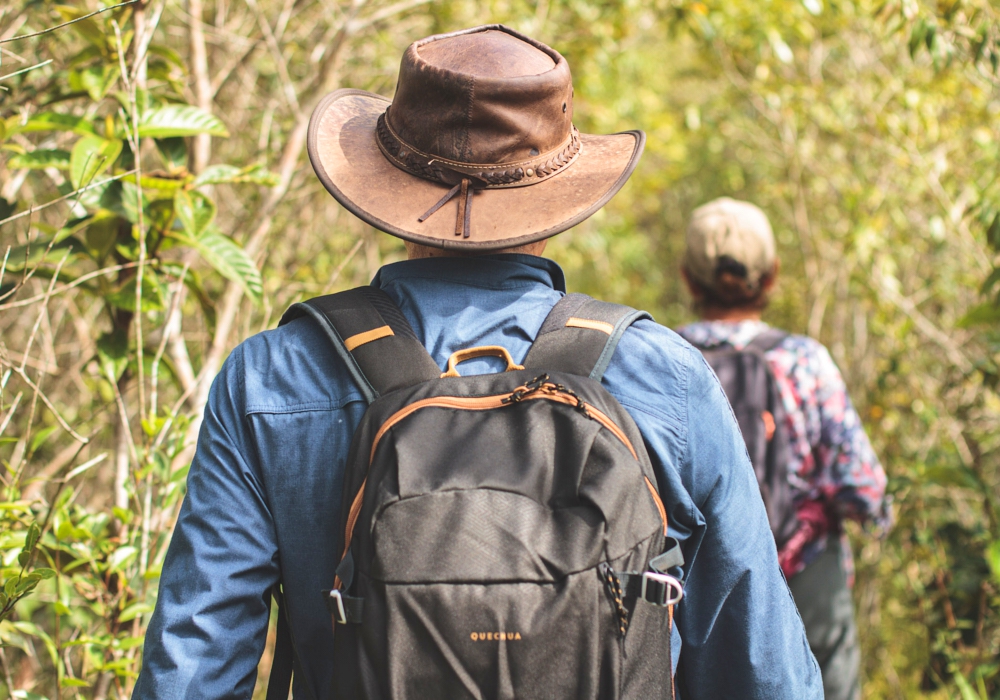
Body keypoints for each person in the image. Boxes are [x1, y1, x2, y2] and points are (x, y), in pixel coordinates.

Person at [133, 27, 821, 699]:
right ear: (557, 197)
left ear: (389, 187)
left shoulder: (272, 379)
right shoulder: (665, 378)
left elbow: (194, 663)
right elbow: (763, 669)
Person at [677, 197, 891, 700]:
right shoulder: (804, 361)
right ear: (771, 276)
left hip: (699, 588)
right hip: (804, 575)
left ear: (689, 279)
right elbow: (863, 486)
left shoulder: (666, 359)